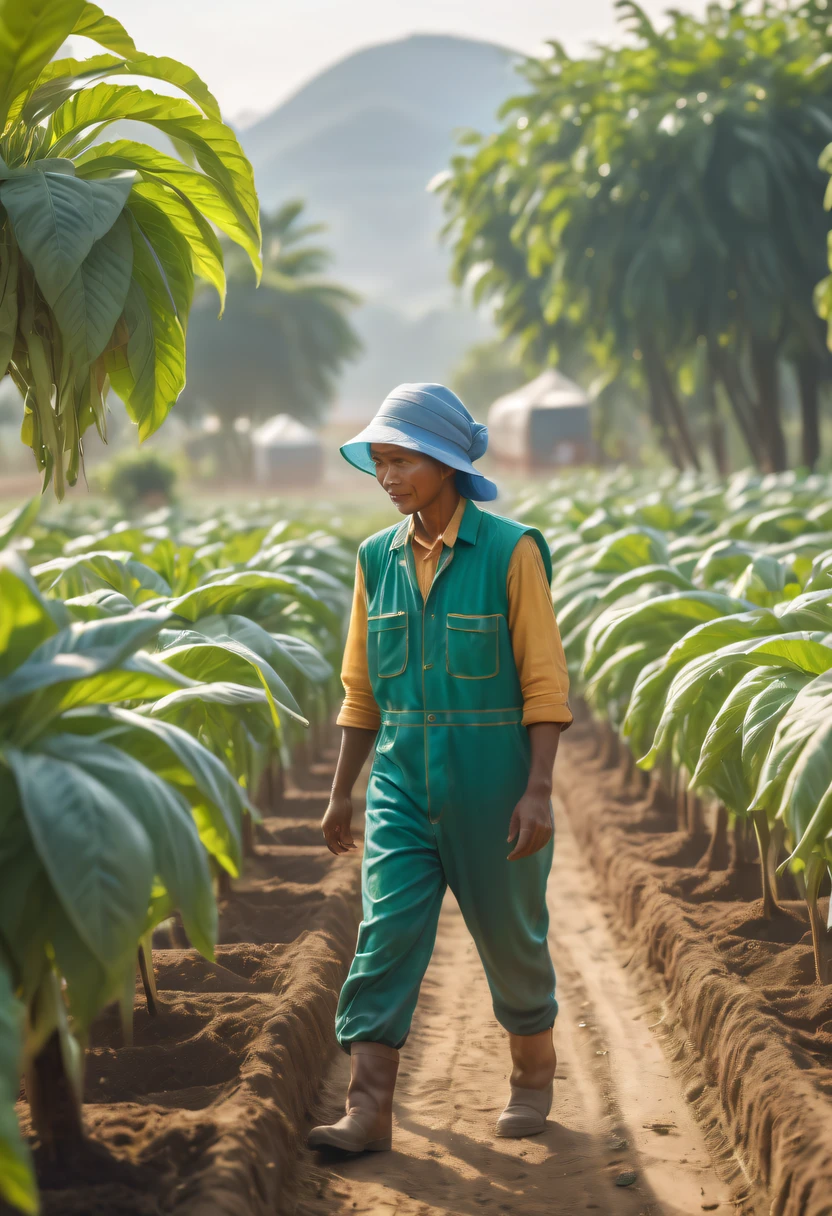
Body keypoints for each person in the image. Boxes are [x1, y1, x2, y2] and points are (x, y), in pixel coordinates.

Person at [308, 383, 572, 1154]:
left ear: (447, 462)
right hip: (400, 780)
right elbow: (361, 691)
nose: (387, 477)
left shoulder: (511, 551)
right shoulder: (374, 560)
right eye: (379, 463)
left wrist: (539, 789)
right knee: (385, 933)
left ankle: (530, 1074)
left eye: (401, 460)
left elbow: (545, 683)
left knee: (511, 935)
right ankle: (367, 1108)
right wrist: (340, 794)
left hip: (494, 782)